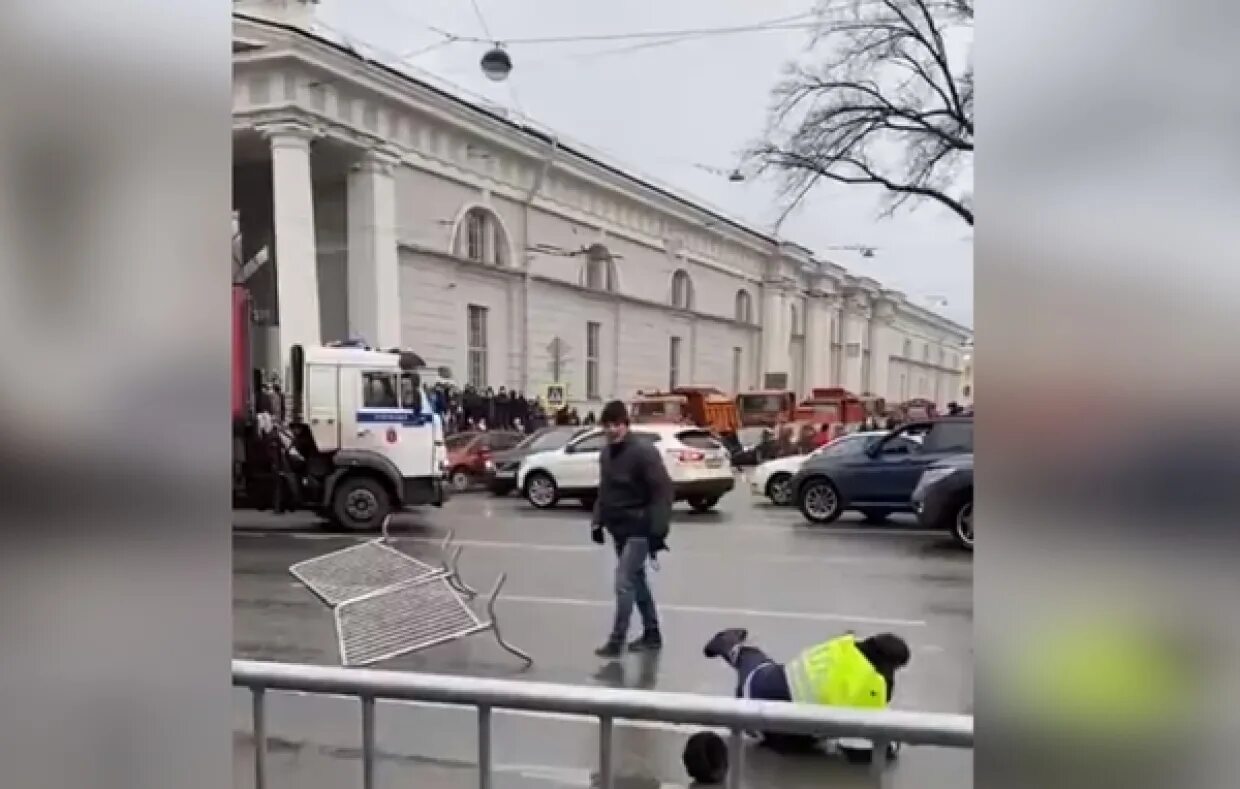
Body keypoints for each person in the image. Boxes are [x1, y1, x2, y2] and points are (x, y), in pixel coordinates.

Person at [702, 627, 911, 753]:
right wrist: (891, 745)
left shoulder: (844, 645)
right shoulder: (871, 686)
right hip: (765, 719)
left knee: (758, 662)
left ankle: (738, 648)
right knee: (750, 659)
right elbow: (861, 751)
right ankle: (731, 646)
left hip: (764, 691)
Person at [590, 400, 674, 658]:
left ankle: (617, 640)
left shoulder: (643, 452)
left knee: (624, 581)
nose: (612, 430)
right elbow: (604, 491)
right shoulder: (606, 455)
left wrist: (658, 530)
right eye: (607, 425)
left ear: (626, 425)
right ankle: (652, 633)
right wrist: (597, 520)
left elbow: (662, 490)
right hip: (618, 528)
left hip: (640, 527)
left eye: (617, 424)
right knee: (637, 581)